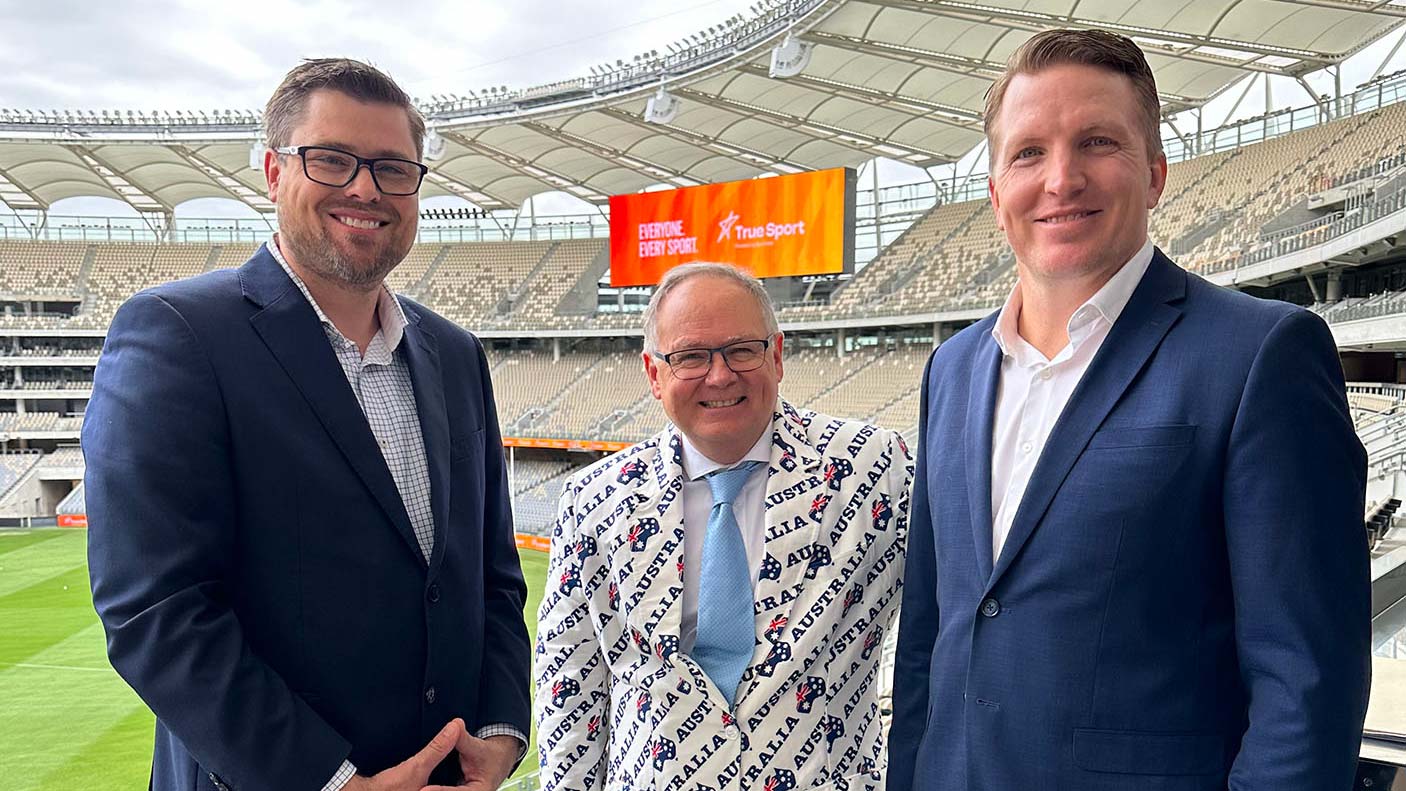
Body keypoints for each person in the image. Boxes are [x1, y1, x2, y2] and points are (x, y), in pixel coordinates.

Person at [888, 29, 1372, 791]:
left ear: (1153, 173)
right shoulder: (951, 370)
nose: (1060, 178)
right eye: (1027, 153)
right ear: (993, 192)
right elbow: (928, 640)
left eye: (1097, 141)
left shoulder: (1260, 355)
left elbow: (1307, 679)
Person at [84, 58, 530, 791]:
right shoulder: (177, 334)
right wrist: (331, 781)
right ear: (273, 171)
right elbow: (156, 610)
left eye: (393, 168)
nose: (366, 188)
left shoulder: (456, 353)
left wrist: (502, 732)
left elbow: (491, 578)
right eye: (331, 160)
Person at [535, 263, 912, 791]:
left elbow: (949, 634)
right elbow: (571, 688)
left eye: (742, 349)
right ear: (653, 373)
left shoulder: (876, 469)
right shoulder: (595, 500)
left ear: (777, 355)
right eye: (690, 356)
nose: (719, 376)